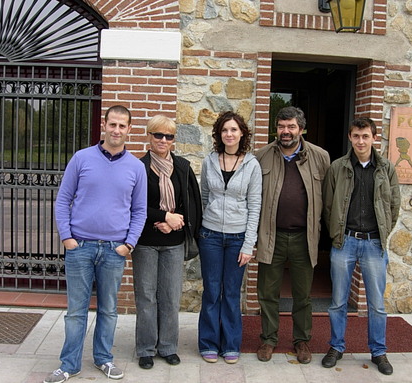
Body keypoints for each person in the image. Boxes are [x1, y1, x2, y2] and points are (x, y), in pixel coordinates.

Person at [44, 105, 147, 383]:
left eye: (122, 126)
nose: (116, 130)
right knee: (76, 310)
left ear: (129, 129)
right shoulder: (81, 158)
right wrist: (67, 237)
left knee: (108, 309)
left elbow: (140, 210)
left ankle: (104, 359)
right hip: (81, 247)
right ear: (104, 125)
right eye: (112, 124)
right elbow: (63, 199)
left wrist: (129, 244)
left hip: (114, 250)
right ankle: (69, 364)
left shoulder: (136, 168)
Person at [321, 117, 400, 375]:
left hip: (374, 244)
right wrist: (336, 233)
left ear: (374, 138)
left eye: (366, 136)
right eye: (356, 136)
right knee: (337, 302)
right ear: (350, 137)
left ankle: (378, 351)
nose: (361, 141)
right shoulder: (338, 167)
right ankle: (336, 347)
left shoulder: (386, 168)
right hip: (344, 242)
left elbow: (393, 205)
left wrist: (384, 232)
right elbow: (329, 204)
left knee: (376, 304)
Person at [255, 106, 330, 364]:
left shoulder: (320, 157)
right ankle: (268, 339)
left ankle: (301, 340)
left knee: (302, 295)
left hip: (303, 237)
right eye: (281, 126)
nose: (285, 132)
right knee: (267, 292)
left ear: (301, 129)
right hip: (271, 236)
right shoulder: (261, 156)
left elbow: (328, 201)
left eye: (291, 127)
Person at [133, 115, 202, 369]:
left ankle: (168, 347)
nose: (163, 140)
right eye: (158, 135)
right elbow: (134, 204)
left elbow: (192, 203)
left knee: (171, 296)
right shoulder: (138, 167)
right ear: (149, 136)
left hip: (174, 241)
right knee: (146, 296)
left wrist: (175, 220)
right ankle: (145, 348)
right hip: (145, 241)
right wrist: (163, 217)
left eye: (169, 136)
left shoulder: (182, 167)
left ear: (173, 140)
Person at [198, 111, 262, 364]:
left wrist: (249, 244)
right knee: (212, 291)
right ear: (219, 134)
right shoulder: (209, 161)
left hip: (238, 237)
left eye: (234, 130)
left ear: (242, 133)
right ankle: (208, 343)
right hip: (210, 236)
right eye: (225, 130)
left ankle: (231, 344)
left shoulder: (252, 165)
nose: (229, 134)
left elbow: (255, 205)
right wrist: (203, 227)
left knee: (232, 292)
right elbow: (204, 197)